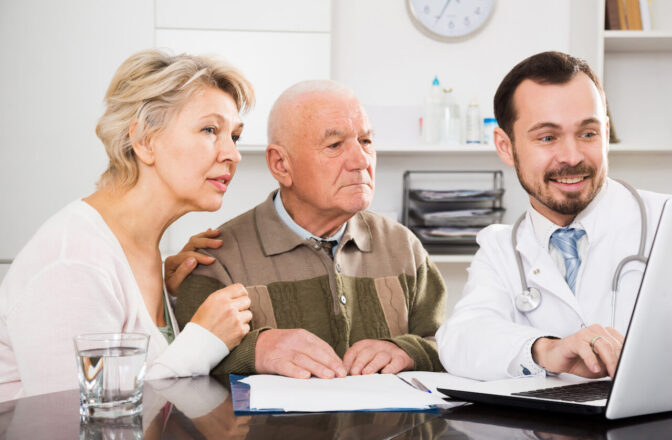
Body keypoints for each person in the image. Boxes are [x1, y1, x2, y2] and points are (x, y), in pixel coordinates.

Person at [0, 49, 255, 399]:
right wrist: (204, 340)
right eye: (210, 129)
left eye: (235, 136)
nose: (233, 154)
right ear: (145, 141)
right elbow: (81, 421)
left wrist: (175, 300)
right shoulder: (73, 263)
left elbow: (139, 375)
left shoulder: (147, 255)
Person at [172, 80, 446, 379]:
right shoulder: (215, 260)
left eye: (366, 141)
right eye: (334, 145)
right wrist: (254, 351)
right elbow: (186, 369)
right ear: (281, 165)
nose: (361, 160)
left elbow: (449, 349)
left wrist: (410, 352)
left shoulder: (403, 246)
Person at [436, 51, 670, 381]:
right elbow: (461, 339)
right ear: (505, 146)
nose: (572, 157)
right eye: (547, 137)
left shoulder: (665, 221)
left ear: (605, 133)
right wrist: (545, 349)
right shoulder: (501, 248)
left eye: (588, 133)